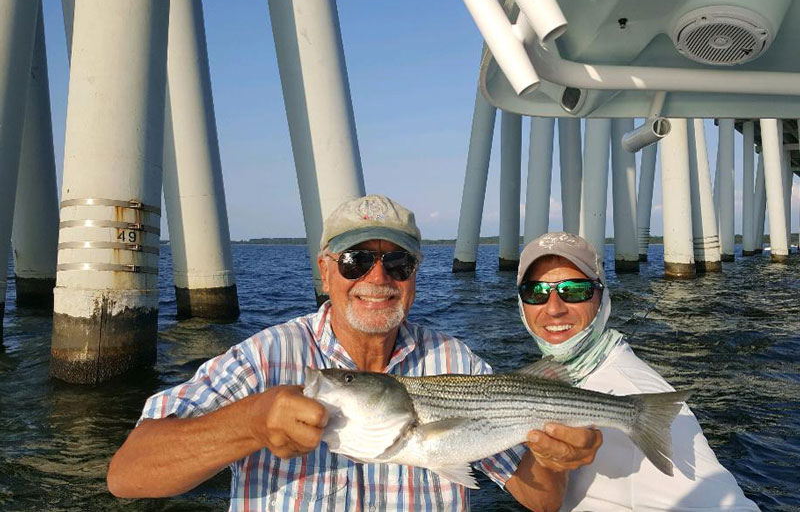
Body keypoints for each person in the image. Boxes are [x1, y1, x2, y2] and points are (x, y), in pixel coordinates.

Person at [107, 195, 602, 511]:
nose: (377, 278)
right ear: (325, 271)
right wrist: (251, 423)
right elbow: (128, 475)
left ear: (413, 276)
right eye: (355, 260)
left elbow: (541, 499)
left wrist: (555, 461)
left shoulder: (458, 363)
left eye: (397, 262)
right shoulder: (264, 358)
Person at [516, 231, 760, 511]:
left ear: (601, 298)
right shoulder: (557, 376)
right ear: (522, 305)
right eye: (536, 292)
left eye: (574, 290)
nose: (554, 308)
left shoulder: (638, 394)